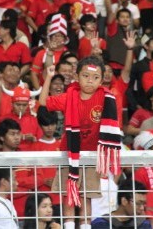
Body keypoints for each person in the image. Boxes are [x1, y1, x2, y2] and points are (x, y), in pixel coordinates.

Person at [39, 56, 122, 229]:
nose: (90, 81)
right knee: (70, 196)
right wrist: (48, 76)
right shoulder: (69, 96)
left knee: (86, 197)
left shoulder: (106, 98)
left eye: (95, 77)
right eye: (85, 76)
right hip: (69, 154)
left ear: (102, 79)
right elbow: (42, 102)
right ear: (76, 76)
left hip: (92, 156)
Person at [0, 20, 32, 84]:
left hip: (16, 83)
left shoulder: (22, 46)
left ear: (7, 30)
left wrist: (15, 75)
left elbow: (27, 65)